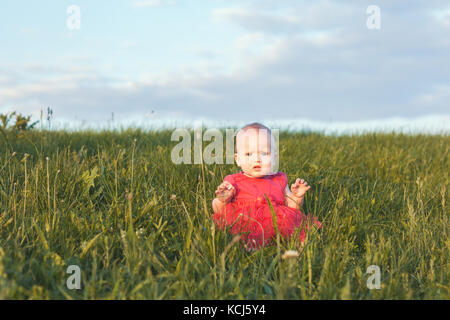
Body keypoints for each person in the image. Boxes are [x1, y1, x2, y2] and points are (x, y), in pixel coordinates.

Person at [212, 122, 321, 251]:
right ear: (238, 159)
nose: (257, 159)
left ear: (274, 158)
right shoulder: (233, 181)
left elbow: (292, 208)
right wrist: (222, 200)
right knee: (240, 232)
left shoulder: (278, 179)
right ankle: (249, 248)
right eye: (249, 154)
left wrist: (297, 196)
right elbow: (218, 210)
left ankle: (299, 250)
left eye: (264, 154)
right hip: (246, 221)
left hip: (276, 221)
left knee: (295, 226)